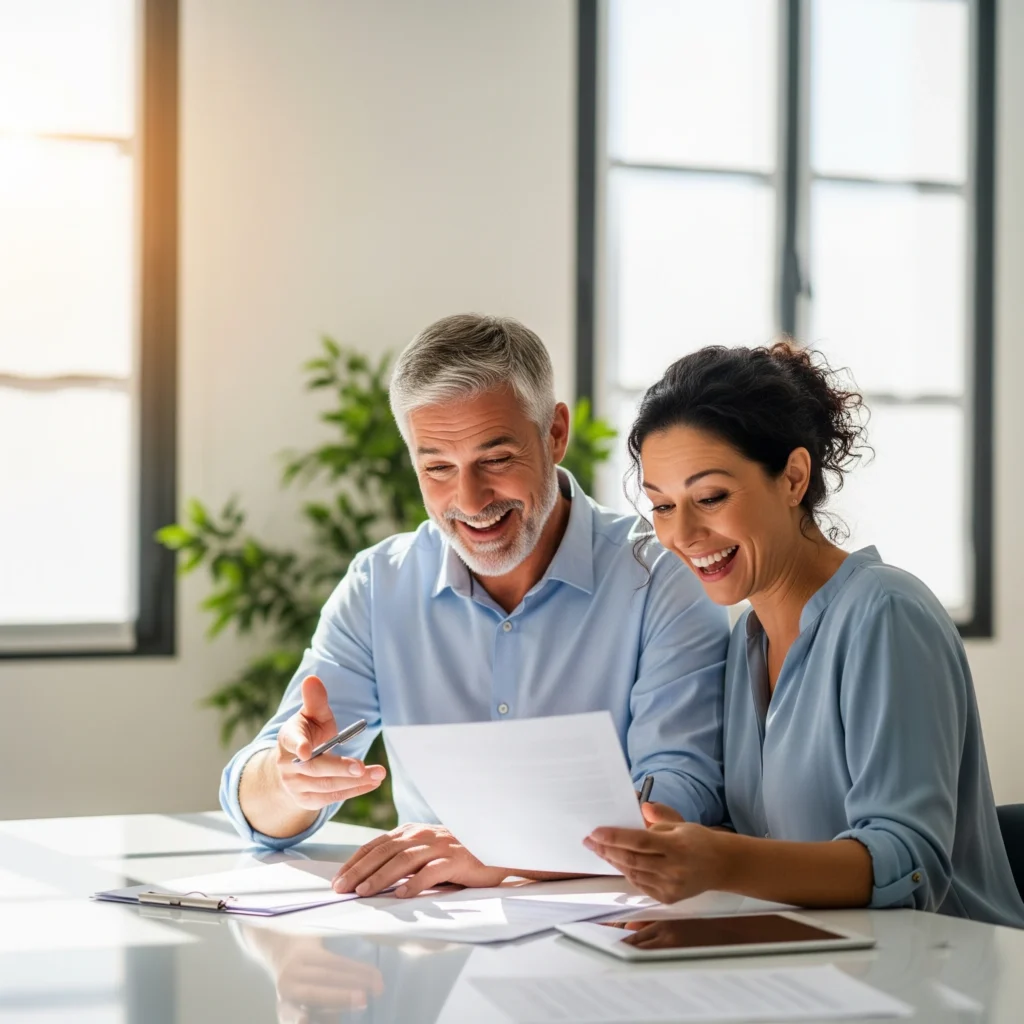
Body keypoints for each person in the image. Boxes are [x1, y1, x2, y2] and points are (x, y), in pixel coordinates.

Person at [220, 313, 730, 898]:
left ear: (555, 433)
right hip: (438, 950)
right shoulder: (378, 585)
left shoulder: (663, 574)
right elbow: (257, 813)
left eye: (496, 459)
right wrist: (290, 780)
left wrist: (507, 851)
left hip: (614, 937)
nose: (470, 500)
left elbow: (679, 805)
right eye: (437, 467)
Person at [585, 341, 1024, 928]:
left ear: (793, 477)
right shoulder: (749, 644)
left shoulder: (886, 613)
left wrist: (722, 860)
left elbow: (910, 865)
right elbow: (763, 841)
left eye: (710, 497)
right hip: (823, 962)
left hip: (947, 975)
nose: (682, 534)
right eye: (662, 506)